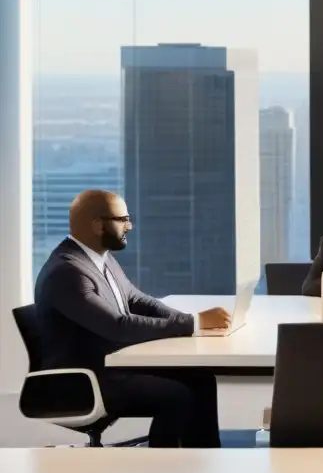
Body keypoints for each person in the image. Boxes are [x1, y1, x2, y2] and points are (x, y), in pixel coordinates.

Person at [34, 190, 230, 447]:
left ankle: (205, 461)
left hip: (110, 364)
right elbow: (117, 327)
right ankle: (164, 470)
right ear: (97, 224)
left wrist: (189, 320)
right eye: (123, 219)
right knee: (178, 395)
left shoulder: (98, 258)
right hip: (85, 380)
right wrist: (193, 323)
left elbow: (138, 301)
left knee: (201, 380)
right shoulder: (68, 271)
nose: (130, 225)